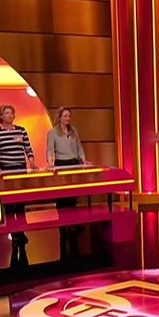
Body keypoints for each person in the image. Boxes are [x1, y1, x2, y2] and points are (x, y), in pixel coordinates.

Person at [46, 107, 89, 259]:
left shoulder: (73, 130)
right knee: (62, 196)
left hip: (74, 163)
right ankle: (62, 225)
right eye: (65, 116)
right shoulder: (52, 132)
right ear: (59, 117)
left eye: (69, 116)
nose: (68, 118)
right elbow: (50, 149)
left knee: (73, 195)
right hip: (61, 164)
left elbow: (79, 147)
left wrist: (83, 160)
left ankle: (73, 223)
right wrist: (50, 163)